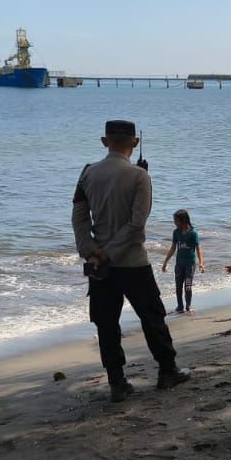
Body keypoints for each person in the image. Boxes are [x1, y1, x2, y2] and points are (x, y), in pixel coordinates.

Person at [71, 120, 191, 402]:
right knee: (152, 317)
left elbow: (78, 217)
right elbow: (137, 224)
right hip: (133, 261)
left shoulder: (87, 173)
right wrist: (110, 251)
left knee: (106, 323)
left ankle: (117, 382)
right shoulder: (140, 176)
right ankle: (167, 371)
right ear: (134, 143)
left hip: (101, 265)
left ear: (104, 141)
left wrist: (91, 250)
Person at [162, 209, 204, 313]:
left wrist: (201, 263)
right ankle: (180, 306)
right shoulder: (176, 232)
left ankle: (188, 306)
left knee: (188, 286)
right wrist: (165, 262)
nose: (174, 223)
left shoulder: (193, 233)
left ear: (183, 220)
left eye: (176, 221)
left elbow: (198, 249)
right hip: (179, 264)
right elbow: (173, 248)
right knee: (178, 286)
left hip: (190, 264)